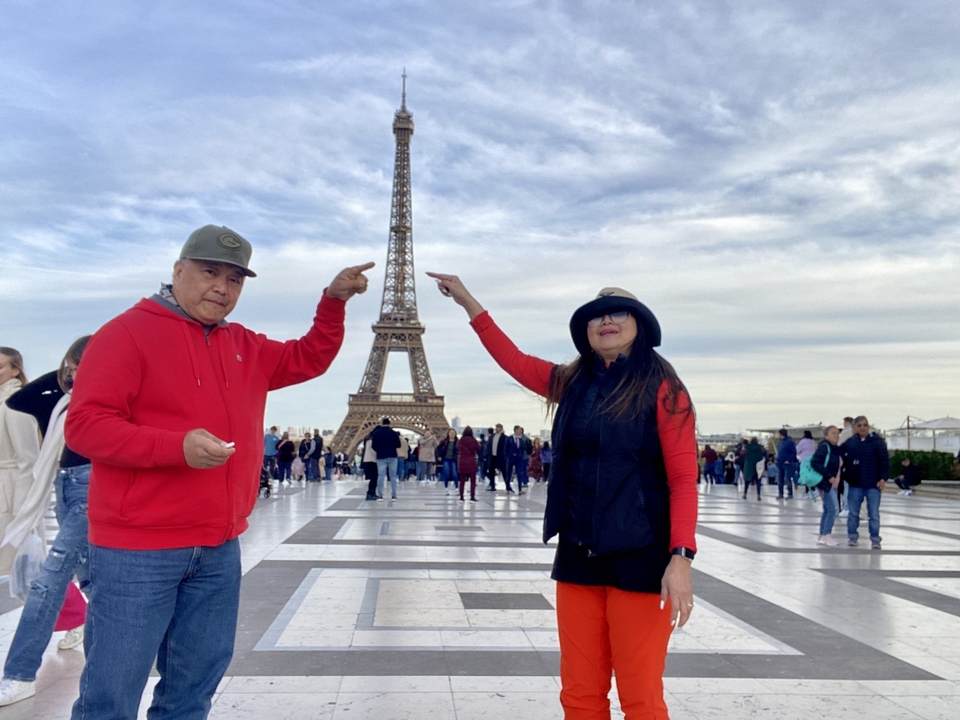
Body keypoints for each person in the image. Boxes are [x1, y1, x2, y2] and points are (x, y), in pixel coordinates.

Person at [63, 224, 373, 719]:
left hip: (218, 547)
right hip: (136, 549)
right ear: (177, 270)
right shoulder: (124, 334)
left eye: (234, 280)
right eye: (209, 272)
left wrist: (333, 301)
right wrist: (174, 447)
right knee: (111, 695)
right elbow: (84, 426)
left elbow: (308, 357)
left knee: (192, 691)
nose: (221, 289)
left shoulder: (243, 344)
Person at [428, 274, 697, 720]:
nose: (606, 320)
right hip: (578, 553)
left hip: (640, 553)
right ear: (586, 331)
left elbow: (684, 477)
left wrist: (681, 557)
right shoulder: (571, 384)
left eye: (617, 313)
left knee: (640, 695)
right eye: (596, 316)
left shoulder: (665, 389)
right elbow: (512, 359)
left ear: (641, 325)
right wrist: (468, 303)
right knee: (579, 692)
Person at [0, 337, 92, 707]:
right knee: (90, 578)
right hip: (64, 485)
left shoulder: (106, 400)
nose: (73, 377)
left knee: (48, 580)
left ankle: (19, 673)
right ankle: (98, 644)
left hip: (90, 488)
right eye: (69, 369)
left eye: (79, 369)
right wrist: (65, 376)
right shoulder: (59, 402)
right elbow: (20, 399)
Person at [0, 347, 40, 584]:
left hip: (11, 496)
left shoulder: (15, 402)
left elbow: (28, 459)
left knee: (12, 566)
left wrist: (24, 510)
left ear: (16, 370)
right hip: (5, 493)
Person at [841, 416, 889, 550]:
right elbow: (840, 457)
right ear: (854, 428)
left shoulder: (877, 442)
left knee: (873, 513)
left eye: (865, 425)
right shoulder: (850, 443)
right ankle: (852, 537)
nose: (863, 428)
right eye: (859, 425)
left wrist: (882, 478)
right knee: (853, 513)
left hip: (873, 484)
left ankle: (875, 539)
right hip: (855, 484)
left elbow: (884, 462)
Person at [811, 425, 842, 547]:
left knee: (828, 509)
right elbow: (815, 463)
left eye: (837, 433)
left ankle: (822, 535)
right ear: (826, 435)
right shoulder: (824, 447)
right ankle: (826, 535)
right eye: (833, 433)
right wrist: (828, 476)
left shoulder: (834, 448)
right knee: (833, 509)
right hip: (825, 483)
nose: (836, 435)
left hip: (833, 483)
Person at [370, 417, 401, 500]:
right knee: (393, 476)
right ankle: (394, 495)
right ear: (389, 423)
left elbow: (373, 446)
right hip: (392, 456)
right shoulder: (394, 433)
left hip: (381, 456)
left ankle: (380, 495)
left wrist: (380, 450)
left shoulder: (376, 434)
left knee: (381, 476)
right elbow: (398, 445)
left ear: (382, 423)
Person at [503, 425, 530, 495]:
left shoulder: (521, 440)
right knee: (508, 474)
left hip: (519, 459)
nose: (521, 431)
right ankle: (507, 488)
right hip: (510, 458)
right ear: (516, 430)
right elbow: (505, 449)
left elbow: (524, 448)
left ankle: (520, 489)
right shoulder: (509, 439)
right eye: (520, 430)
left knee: (519, 474)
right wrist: (507, 457)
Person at [457, 426, 481, 502]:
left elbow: (457, 447)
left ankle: (461, 497)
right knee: (473, 481)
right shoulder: (473, 440)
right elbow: (479, 447)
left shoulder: (461, 440)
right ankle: (472, 497)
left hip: (462, 461)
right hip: (471, 460)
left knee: (462, 481)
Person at [776, 429, 798, 499]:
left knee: (787, 479)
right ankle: (780, 493)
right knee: (780, 479)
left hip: (787, 464)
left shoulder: (789, 442)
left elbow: (793, 452)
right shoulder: (780, 442)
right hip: (780, 463)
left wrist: (788, 460)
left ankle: (790, 494)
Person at [436, 428, 459, 495]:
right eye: (451, 432)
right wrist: (439, 456)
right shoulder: (444, 441)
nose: (452, 433)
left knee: (455, 474)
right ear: (448, 434)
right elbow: (438, 448)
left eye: (453, 432)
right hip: (446, 459)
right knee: (446, 474)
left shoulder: (458, 442)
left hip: (454, 460)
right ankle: (446, 489)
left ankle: (457, 489)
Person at [487, 423, 506, 490]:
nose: (496, 428)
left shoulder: (504, 437)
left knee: (504, 471)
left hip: (500, 457)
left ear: (501, 428)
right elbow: (488, 446)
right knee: (491, 471)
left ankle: (507, 485)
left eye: (498, 427)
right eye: (496, 427)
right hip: (492, 456)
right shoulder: (492, 436)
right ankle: (492, 485)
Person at [361, 434, 379, 500]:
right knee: (374, 478)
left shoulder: (368, 441)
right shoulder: (371, 441)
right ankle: (371, 493)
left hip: (368, 461)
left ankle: (371, 493)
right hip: (372, 461)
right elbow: (373, 451)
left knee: (373, 479)